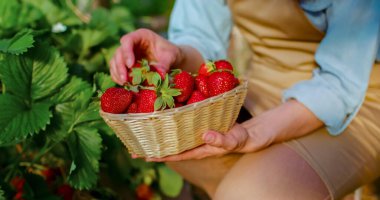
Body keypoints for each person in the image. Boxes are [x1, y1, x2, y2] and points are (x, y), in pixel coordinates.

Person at [110, 0, 380, 199]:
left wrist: (253, 133)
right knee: (176, 141)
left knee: (251, 193)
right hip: (268, 80)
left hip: (360, 94)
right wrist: (176, 54)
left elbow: (339, 85)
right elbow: (201, 38)